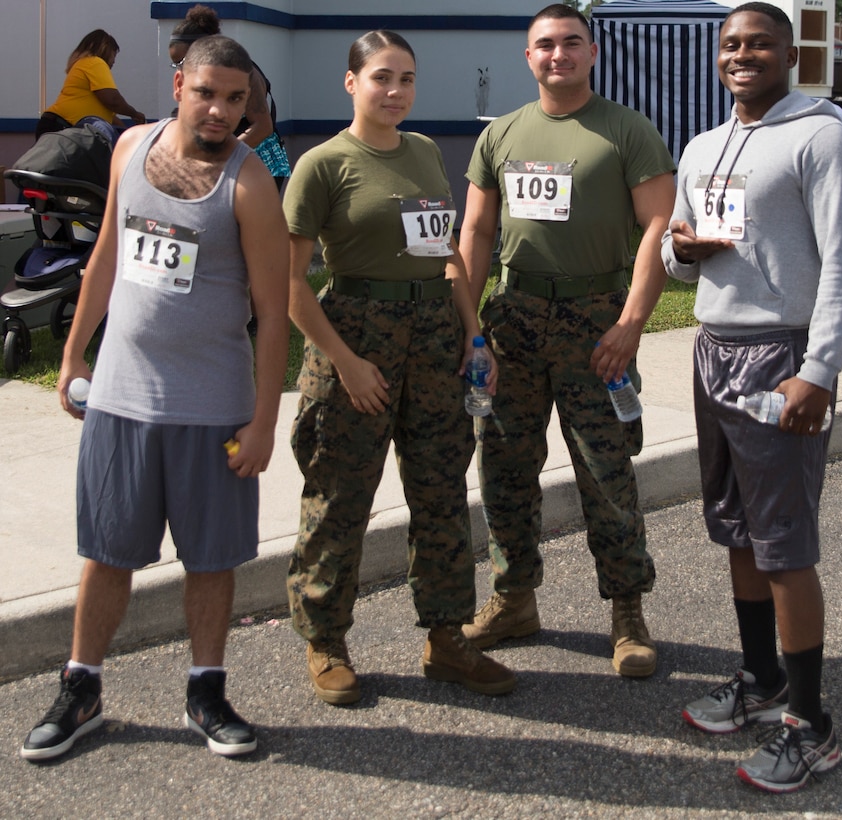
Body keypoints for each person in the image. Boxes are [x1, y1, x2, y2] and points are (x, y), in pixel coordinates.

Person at [20, 35, 289, 761]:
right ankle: (82, 689)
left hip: (213, 408)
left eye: (237, 100)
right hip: (119, 399)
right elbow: (107, 252)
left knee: (210, 559)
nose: (221, 112)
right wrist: (75, 353)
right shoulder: (129, 148)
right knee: (107, 552)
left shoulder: (250, 184)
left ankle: (206, 691)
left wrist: (264, 421)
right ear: (179, 84)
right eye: (208, 94)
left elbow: (273, 310)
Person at [661, 2, 842, 793]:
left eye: (758, 43)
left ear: (790, 54)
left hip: (780, 352)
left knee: (783, 541)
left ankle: (811, 725)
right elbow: (679, 253)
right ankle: (762, 679)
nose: (741, 55)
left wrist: (817, 371)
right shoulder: (704, 145)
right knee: (738, 531)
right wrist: (679, 248)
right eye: (730, 45)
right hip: (713, 349)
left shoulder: (823, 137)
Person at [284, 30, 515, 705]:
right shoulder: (322, 165)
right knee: (340, 497)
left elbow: (446, 251)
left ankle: (447, 639)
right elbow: (290, 284)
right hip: (358, 333)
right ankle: (325, 639)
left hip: (436, 338)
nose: (396, 92)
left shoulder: (421, 153)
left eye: (407, 79)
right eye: (382, 77)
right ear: (351, 82)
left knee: (441, 493)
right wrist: (345, 362)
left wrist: (475, 335)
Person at [457, 4, 675, 679]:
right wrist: (472, 330)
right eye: (545, 45)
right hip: (514, 319)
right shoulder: (501, 134)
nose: (558, 55)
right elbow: (477, 233)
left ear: (593, 52)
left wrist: (631, 323)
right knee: (503, 467)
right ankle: (514, 598)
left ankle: (627, 613)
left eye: (571, 43)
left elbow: (659, 228)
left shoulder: (625, 130)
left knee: (606, 471)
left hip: (595, 322)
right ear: (529, 57)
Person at [169, 4, 291, 190]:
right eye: (175, 64)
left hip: (260, 163)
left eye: (183, 61)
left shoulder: (243, 72)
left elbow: (263, 127)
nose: (180, 68)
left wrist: (217, 157)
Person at [36, 29, 146, 140]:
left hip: (54, 125)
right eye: (114, 55)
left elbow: (110, 116)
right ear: (106, 49)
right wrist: (135, 114)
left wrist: (127, 136)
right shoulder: (95, 62)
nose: (114, 61)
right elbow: (113, 100)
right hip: (62, 127)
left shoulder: (84, 64)